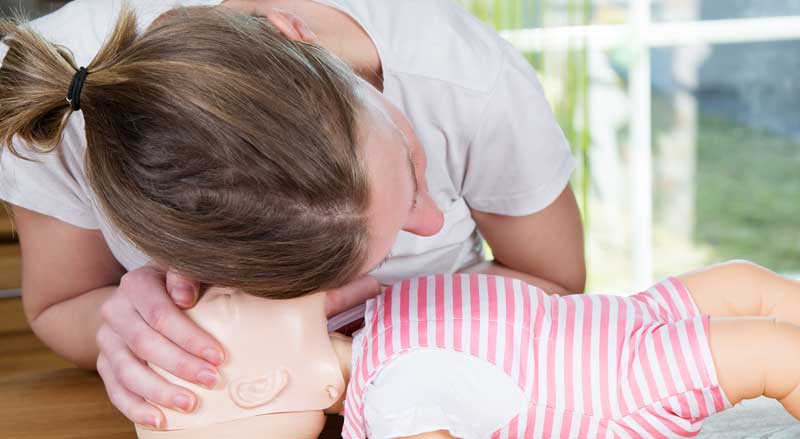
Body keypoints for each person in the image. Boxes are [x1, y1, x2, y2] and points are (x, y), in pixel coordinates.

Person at [0, 0, 584, 429]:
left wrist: (386, 342)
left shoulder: (471, 81)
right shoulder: (49, 100)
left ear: (294, 34)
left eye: (409, 165)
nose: (431, 223)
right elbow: (58, 306)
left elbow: (558, 283)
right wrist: (126, 327)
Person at [137, 260, 800, 439]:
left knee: (746, 283)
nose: (233, 281)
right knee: (773, 352)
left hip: (618, 318)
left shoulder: (371, 328)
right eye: (227, 301)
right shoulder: (395, 393)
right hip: (620, 386)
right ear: (261, 386)